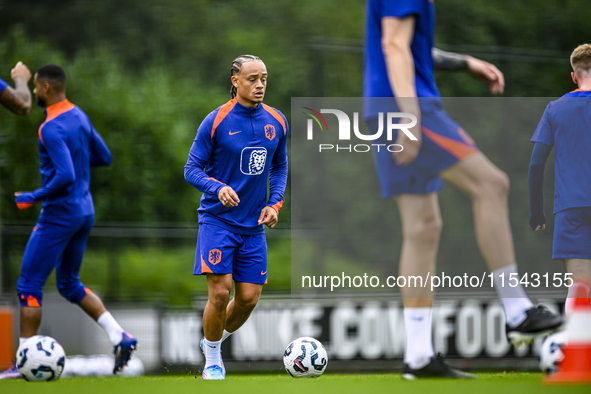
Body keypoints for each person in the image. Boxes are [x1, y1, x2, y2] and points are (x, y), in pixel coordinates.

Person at [364, 0, 563, 379]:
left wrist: (465, 62)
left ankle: (419, 355)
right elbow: (393, 44)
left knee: (422, 228)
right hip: (408, 108)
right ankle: (517, 310)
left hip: (384, 110)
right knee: (491, 184)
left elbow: (410, 47)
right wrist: (410, 116)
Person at [0, 64, 136, 380]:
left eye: (34, 86)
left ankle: (23, 364)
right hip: (84, 211)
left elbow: (65, 175)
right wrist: (74, 158)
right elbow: (104, 157)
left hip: (59, 214)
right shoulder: (78, 115)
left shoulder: (49, 127)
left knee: (28, 286)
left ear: (46, 87)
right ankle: (120, 337)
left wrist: (33, 196)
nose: (33, 92)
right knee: (68, 284)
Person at [184, 54, 288, 380]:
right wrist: (217, 188)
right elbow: (191, 169)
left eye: (264, 79)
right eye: (252, 79)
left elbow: (280, 166)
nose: (259, 85)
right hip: (217, 220)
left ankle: (210, 342)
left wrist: (275, 204)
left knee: (248, 299)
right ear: (235, 80)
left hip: (253, 227)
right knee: (220, 293)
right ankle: (213, 360)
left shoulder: (277, 122)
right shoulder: (215, 121)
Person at [529, 43, 591, 314]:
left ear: (574, 76)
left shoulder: (555, 109)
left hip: (570, 207)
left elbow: (535, 164)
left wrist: (537, 213)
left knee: (579, 286)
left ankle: (574, 352)